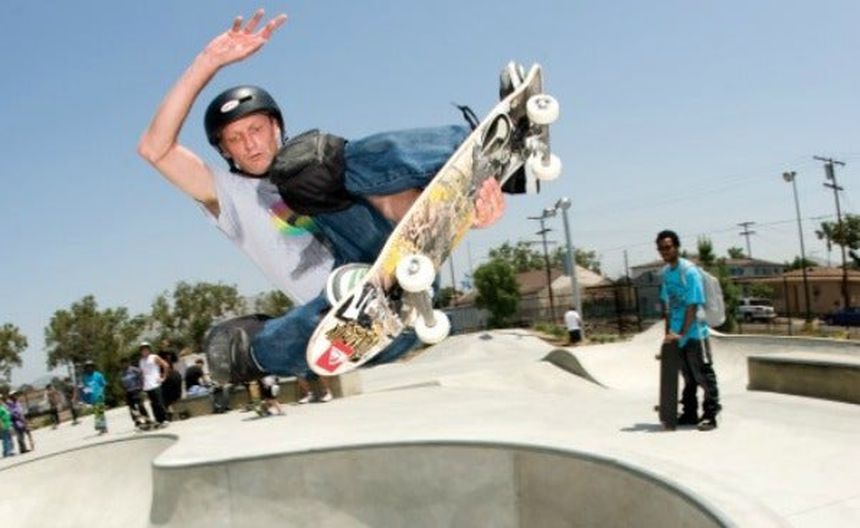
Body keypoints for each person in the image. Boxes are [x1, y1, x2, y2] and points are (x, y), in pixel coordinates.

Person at [137, 9, 506, 394]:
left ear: (275, 126)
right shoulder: (226, 194)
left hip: (400, 276)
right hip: (341, 324)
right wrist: (208, 60)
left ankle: (474, 146)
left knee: (309, 165)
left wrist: (466, 206)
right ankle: (261, 351)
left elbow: (392, 207)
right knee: (236, 345)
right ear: (225, 151)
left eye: (256, 129)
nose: (249, 144)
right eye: (235, 139)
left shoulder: (319, 171)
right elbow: (154, 148)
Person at [656, 230, 722, 431]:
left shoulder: (689, 272)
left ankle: (710, 415)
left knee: (703, 374)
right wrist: (668, 336)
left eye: (668, 247)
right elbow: (668, 307)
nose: (665, 251)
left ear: (676, 247)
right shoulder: (666, 274)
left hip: (694, 333)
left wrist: (683, 333)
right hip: (677, 335)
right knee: (688, 377)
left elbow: (692, 305)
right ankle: (690, 413)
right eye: (661, 248)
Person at [139, 342, 170, 427]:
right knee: (153, 404)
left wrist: (163, 377)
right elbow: (143, 374)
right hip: (147, 385)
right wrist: (142, 385)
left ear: (149, 349)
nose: (144, 351)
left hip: (155, 383)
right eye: (142, 349)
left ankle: (165, 419)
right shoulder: (141, 361)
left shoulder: (154, 357)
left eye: (146, 349)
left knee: (159, 402)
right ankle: (158, 420)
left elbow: (166, 365)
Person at [120, 357, 153, 429]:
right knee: (132, 408)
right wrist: (124, 391)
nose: (124, 365)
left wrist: (141, 386)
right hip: (128, 391)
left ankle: (147, 419)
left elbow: (142, 376)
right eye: (122, 363)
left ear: (128, 363)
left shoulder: (134, 369)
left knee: (141, 405)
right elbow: (122, 383)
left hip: (136, 390)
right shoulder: (122, 373)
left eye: (125, 363)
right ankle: (137, 421)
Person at [80, 361, 108, 435]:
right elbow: (86, 388)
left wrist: (101, 393)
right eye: (87, 367)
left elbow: (103, 385)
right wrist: (86, 399)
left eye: (90, 366)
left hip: (99, 396)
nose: (89, 368)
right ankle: (102, 427)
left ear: (93, 367)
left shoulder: (98, 375)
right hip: (92, 398)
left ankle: (102, 428)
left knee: (99, 412)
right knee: (97, 412)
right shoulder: (85, 377)